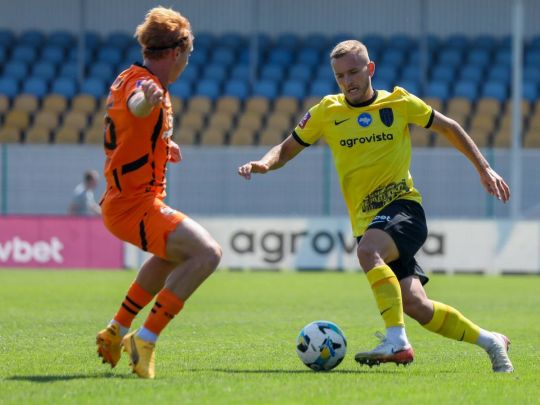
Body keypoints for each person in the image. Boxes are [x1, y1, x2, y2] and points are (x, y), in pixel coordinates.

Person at [238, 40, 514, 372]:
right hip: (367, 223)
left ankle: (397, 341)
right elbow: (285, 148)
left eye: (354, 72)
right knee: (416, 305)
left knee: (368, 252)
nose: (348, 81)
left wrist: (484, 168)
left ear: (370, 69)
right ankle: (491, 341)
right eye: (340, 76)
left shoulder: (398, 102)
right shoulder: (326, 112)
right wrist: (265, 163)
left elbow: (449, 126)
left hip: (404, 208)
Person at [95, 6, 222, 379]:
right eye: (188, 54)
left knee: (171, 256)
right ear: (177, 52)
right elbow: (137, 105)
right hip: (134, 206)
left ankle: (115, 330)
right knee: (207, 254)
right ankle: (145, 338)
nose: (187, 62)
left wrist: (164, 144)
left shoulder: (127, 76)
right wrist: (146, 100)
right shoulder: (145, 86)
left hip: (127, 202)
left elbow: (131, 125)